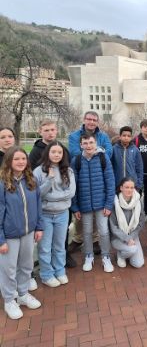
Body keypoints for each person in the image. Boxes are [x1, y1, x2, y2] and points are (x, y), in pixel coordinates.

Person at [0, 147, 43, 320]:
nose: (20, 162)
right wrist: (1, 239)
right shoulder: (2, 182)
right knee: (8, 269)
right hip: (9, 235)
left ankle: (23, 294)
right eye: (16, 159)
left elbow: (38, 205)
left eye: (23, 159)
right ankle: (9, 300)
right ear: (9, 161)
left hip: (28, 232)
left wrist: (39, 227)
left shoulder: (31, 180)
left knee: (26, 266)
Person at [71, 133, 115, 273]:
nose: (88, 145)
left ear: (96, 143)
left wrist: (109, 204)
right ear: (81, 145)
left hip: (101, 204)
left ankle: (106, 257)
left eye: (91, 142)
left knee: (103, 231)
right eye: (85, 143)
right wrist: (75, 206)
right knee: (87, 232)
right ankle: (88, 256)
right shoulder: (76, 160)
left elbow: (110, 181)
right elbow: (73, 186)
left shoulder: (103, 158)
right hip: (84, 205)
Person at [33, 142, 76, 287]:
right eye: (53, 152)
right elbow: (37, 193)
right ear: (47, 153)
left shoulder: (68, 171)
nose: (56, 155)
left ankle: (59, 270)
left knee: (59, 245)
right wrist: (50, 179)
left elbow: (71, 193)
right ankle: (46, 274)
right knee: (45, 247)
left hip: (62, 214)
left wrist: (51, 196)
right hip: (44, 215)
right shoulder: (39, 171)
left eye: (59, 152)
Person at [109, 178, 145, 269]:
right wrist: (127, 239)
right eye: (127, 187)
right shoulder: (115, 203)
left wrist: (131, 237)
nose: (129, 190)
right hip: (117, 237)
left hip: (133, 235)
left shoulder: (138, 202)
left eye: (132, 187)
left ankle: (124, 254)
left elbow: (140, 224)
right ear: (121, 188)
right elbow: (113, 227)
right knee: (132, 249)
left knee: (138, 263)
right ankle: (121, 255)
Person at [112, 126, 143, 190]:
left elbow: (139, 169)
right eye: (124, 135)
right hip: (117, 185)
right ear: (120, 136)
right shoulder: (114, 149)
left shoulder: (135, 150)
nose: (126, 137)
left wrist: (138, 185)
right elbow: (111, 168)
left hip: (131, 186)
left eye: (128, 136)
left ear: (131, 137)